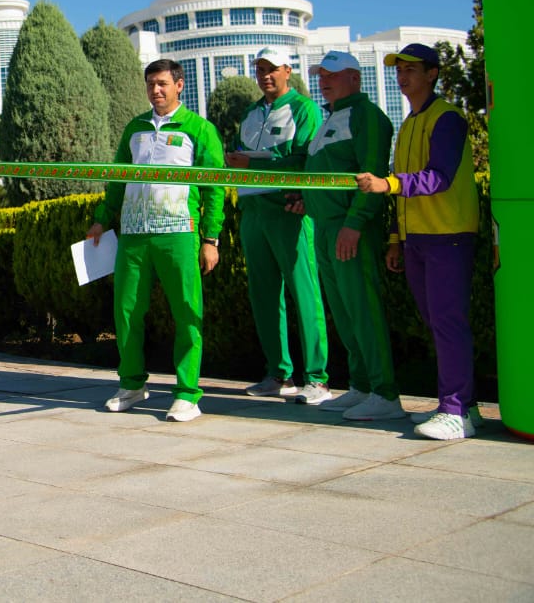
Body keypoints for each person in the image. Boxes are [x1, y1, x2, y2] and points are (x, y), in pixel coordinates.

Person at [87, 58, 225, 423]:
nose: (156, 90)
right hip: (134, 235)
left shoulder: (199, 129)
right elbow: (117, 179)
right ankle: (131, 383)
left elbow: (214, 188)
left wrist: (211, 239)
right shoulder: (135, 128)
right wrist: (102, 221)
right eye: (150, 84)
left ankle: (187, 393)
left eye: (163, 83)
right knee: (127, 311)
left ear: (180, 85)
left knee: (186, 311)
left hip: (179, 233)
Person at [355, 44, 480, 439]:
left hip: (449, 236)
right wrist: (396, 239)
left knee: (448, 324)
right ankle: (464, 406)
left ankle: (456, 410)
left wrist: (387, 184)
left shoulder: (447, 119)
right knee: (436, 324)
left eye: (411, 69)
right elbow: (407, 188)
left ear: (432, 74)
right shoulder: (409, 123)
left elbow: (438, 177)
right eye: (400, 69)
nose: (402, 76)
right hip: (418, 240)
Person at [296, 50, 401, 421]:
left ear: (355, 77)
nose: (324, 81)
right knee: (342, 311)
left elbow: (371, 173)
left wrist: (354, 225)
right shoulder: (329, 120)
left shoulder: (367, 116)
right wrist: (306, 201)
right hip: (323, 229)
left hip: (349, 229)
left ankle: (386, 393)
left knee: (363, 309)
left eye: (333, 74)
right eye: (320, 75)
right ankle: (362, 386)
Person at [225, 47, 330, 405]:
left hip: (288, 208)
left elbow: (304, 157)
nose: (265, 75)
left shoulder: (304, 108)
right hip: (253, 209)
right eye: (259, 69)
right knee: (264, 294)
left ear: (288, 70)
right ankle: (278, 373)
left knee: (304, 292)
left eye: (271, 68)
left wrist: (255, 162)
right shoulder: (251, 112)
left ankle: (317, 378)